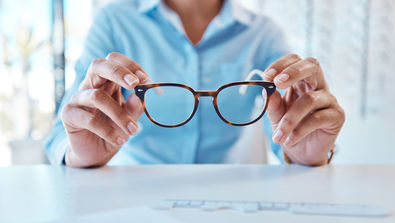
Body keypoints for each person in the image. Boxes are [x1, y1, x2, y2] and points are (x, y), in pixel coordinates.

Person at [45, 0, 345, 168]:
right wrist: (79, 155)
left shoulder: (263, 34)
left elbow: (287, 130)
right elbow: (62, 130)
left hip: (228, 202)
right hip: (131, 192)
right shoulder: (113, 22)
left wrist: (302, 154)